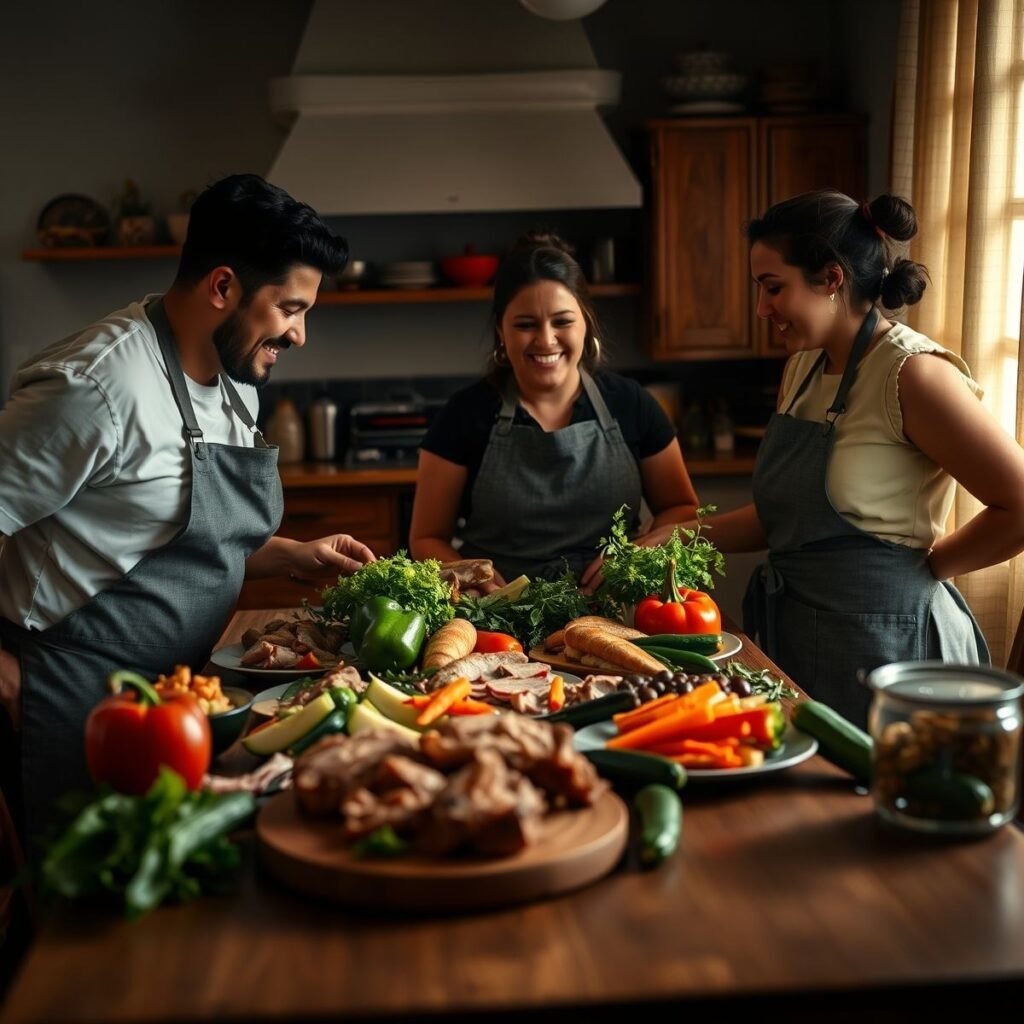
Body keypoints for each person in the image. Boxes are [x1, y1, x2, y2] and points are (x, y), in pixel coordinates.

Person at [0, 173, 376, 841]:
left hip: (180, 693)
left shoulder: (238, 375)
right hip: (71, 694)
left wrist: (292, 556)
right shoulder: (93, 389)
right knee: (76, 922)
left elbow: (177, 533)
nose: (300, 335)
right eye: (291, 308)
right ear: (223, 286)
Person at [634, 189, 1024, 726]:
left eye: (774, 288)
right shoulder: (803, 370)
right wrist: (679, 537)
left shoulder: (914, 375)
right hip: (800, 639)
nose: (761, 308)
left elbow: (1020, 504)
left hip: (895, 649)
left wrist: (929, 570)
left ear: (832, 278)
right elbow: (789, 520)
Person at [410, 232, 699, 589]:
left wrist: (636, 554)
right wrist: (470, 575)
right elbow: (426, 538)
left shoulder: (631, 403)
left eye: (562, 321)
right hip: (497, 617)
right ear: (501, 330)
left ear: (586, 322)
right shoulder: (464, 413)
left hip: (613, 608)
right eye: (525, 324)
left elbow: (682, 509)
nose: (546, 340)